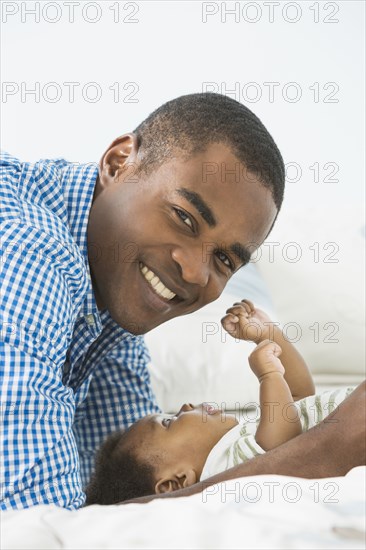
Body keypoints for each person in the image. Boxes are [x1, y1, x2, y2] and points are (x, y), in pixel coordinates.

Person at [0, 93, 283, 510]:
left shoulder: (115, 299)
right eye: (184, 217)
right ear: (118, 163)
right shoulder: (33, 252)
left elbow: (134, 489)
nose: (193, 272)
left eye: (223, 259)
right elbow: (35, 515)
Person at [84, 299, 355, 504]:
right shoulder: (225, 469)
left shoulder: (237, 444)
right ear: (175, 483)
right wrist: (269, 375)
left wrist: (269, 335)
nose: (186, 407)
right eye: (168, 421)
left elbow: (299, 398)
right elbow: (284, 444)